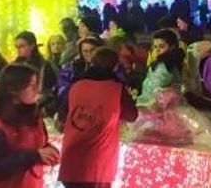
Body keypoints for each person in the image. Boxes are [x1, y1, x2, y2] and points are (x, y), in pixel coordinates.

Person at [58, 48, 138, 187]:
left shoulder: (76, 85)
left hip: (72, 156)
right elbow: (132, 115)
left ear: (92, 63)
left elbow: (62, 116)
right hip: (99, 160)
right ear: (115, 66)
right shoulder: (117, 89)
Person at [0, 64, 60, 187]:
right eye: (31, 86)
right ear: (14, 89)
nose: (37, 91)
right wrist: (35, 156)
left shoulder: (34, 117)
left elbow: (40, 144)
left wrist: (49, 152)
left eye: (37, 86)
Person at [57, 37, 104, 121]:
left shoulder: (106, 66)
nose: (89, 53)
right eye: (85, 51)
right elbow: (62, 88)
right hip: (76, 107)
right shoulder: (72, 67)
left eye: (92, 50)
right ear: (81, 52)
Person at [137, 29, 186, 107]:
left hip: (156, 111)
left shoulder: (165, 66)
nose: (157, 50)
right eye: (155, 47)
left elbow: (154, 88)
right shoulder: (171, 63)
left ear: (172, 47)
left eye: (161, 46)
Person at [14, 31, 58, 116]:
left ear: (32, 46)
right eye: (17, 47)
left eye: (22, 46)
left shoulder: (44, 66)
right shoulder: (15, 67)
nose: (18, 50)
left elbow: (53, 91)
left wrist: (43, 101)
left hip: (40, 109)